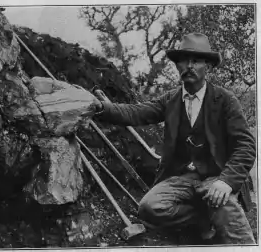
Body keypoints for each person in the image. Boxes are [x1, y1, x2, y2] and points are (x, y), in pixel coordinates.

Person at [90, 33, 256, 244]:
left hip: (216, 175)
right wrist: (103, 108)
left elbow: (246, 146)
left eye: (195, 60)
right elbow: (137, 112)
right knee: (149, 207)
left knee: (224, 207)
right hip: (182, 178)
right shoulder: (171, 99)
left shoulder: (225, 100)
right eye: (183, 60)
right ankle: (202, 218)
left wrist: (226, 181)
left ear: (209, 67)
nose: (188, 66)